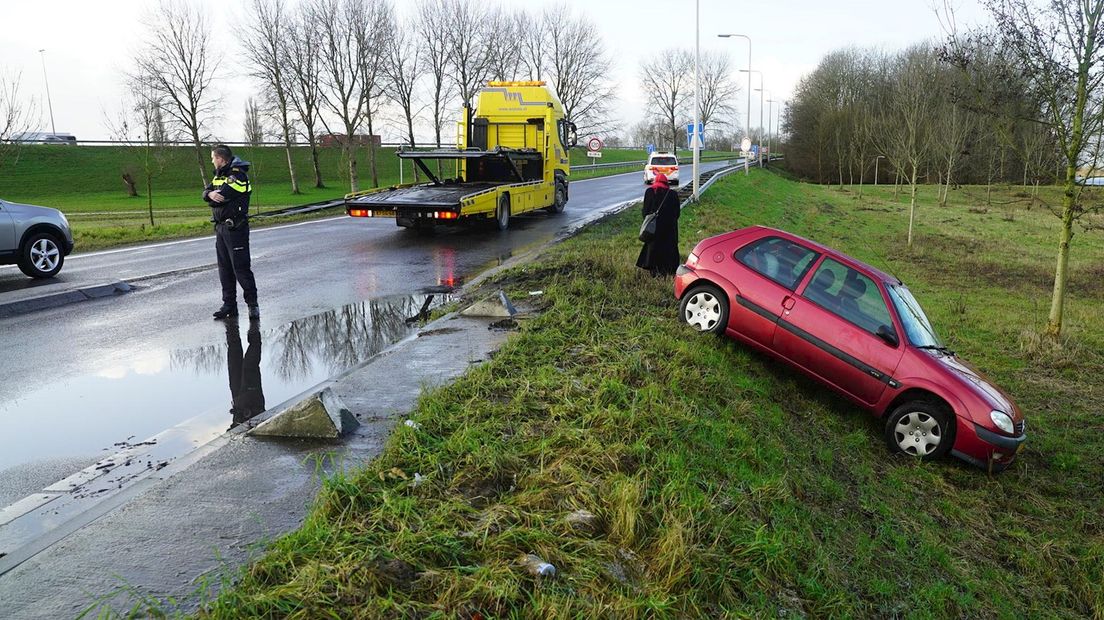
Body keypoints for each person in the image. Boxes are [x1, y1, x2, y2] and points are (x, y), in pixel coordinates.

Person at [204, 144, 259, 320]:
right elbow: (206, 192)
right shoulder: (220, 176)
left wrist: (212, 197)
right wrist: (209, 194)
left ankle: (252, 305)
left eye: (213, 158)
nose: (212, 161)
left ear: (221, 159)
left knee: (241, 269)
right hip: (220, 227)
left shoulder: (238, 175)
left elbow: (223, 197)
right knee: (224, 269)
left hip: (236, 228)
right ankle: (229, 305)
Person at [636, 172, 681, 276]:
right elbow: (677, 213)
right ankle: (668, 272)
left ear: (655, 181)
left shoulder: (650, 192)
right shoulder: (672, 194)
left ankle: (654, 271)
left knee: (653, 249)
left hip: (654, 229)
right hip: (669, 229)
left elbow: (645, 211)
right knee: (669, 250)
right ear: (666, 182)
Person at [225, 319, 265, 429]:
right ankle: (254, 324)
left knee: (234, 359)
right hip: (253, 406)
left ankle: (231, 322)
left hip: (239, 407)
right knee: (250, 365)